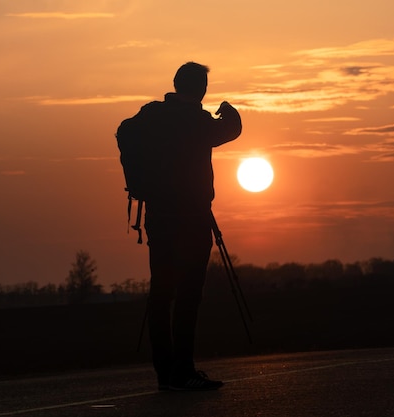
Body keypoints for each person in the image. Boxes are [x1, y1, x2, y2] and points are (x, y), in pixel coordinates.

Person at [116, 62, 242, 390]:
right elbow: (230, 130)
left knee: (161, 293)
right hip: (193, 218)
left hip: (159, 217)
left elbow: (124, 131)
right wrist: (228, 109)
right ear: (201, 89)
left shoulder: (149, 117)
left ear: (175, 84)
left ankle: (165, 373)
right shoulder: (198, 122)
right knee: (188, 295)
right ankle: (183, 370)